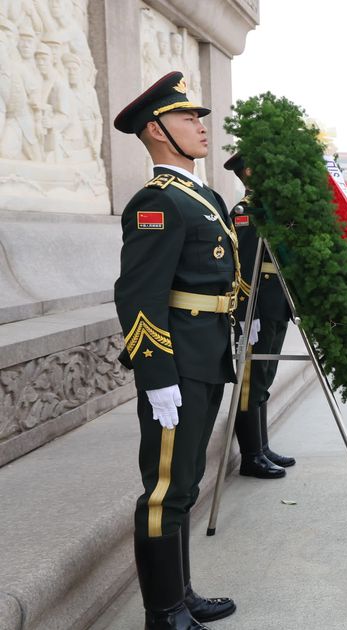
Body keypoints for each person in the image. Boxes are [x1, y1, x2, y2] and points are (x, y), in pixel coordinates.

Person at [112, 71, 237, 628]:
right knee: (164, 489)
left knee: (184, 483)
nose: (200, 125)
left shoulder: (201, 196)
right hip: (178, 363)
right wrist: (155, 375)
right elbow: (139, 295)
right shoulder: (155, 203)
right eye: (189, 117)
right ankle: (162, 613)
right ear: (158, 131)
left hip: (205, 355)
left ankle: (181, 595)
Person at [225, 153, 295, 479]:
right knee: (250, 382)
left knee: (263, 378)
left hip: (274, 305)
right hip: (255, 309)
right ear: (250, 172)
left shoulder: (270, 211)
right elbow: (244, 269)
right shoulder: (245, 213)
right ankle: (251, 456)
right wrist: (246, 313)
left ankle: (263, 447)